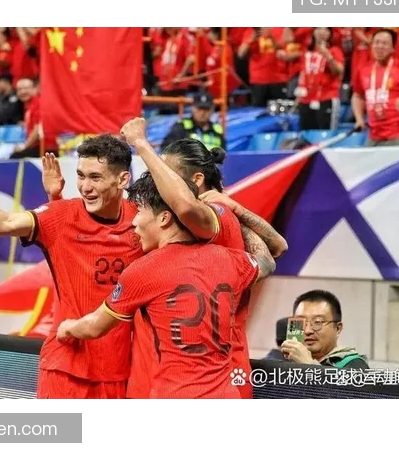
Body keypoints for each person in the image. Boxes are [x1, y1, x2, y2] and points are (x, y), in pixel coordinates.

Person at [0, 134, 144, 399]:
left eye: (95, 177)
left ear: (123, 180)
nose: (85, 187)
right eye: (81, 176)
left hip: (119, 372)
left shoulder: (141, 221)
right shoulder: (61, 216)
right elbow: (6, 222)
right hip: (66, 368)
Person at [56, 172, 274, 398]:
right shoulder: (230, 259)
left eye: (139, 212)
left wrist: (67, 328)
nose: (134, 222)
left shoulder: (144, 271)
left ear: (164, 218)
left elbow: (94, 327)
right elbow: (267, 261)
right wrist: (235, 215)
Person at [120, 117, 286, 399]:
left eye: (167, 173)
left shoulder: (213, 215)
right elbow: (276, 248)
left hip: (213, 377)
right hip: (175, 375)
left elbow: (186, 207)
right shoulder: (185, 225)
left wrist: (140, 143)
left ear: (196, 181)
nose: (159, 180)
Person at [351, 28, 399, 147]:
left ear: (393, 48)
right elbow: (357, 96)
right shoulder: (363, 70)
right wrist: (359, 119)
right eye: (376, 42)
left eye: (384, 43)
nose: (379, 46)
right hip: (373, 136)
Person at [281, 290, 369, 369]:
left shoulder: (355, 366)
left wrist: (308, 364)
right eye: (301, 322)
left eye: (317, 322)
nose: (308, 331)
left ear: (338, 329)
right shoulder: (286, 363)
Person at [160, 92, 225, 151]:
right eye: (199, 108)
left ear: (212, 109)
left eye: (206, 109)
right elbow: (166, 148)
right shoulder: (182, 126)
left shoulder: (217, 130)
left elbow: (224, 154)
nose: (202, 112)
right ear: (192, 108)